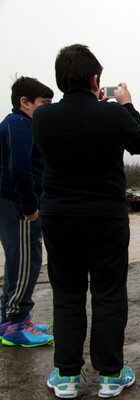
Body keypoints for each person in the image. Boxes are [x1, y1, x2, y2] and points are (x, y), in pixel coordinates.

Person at [32, 44, 140, 399]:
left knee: (67, 294)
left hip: (58, 217)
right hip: (105, 219)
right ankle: (110, 375)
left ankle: (67, 376)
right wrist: (125, 104)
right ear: (96, 79)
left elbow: (71, 131)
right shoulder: (113, 115)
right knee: (108, 294)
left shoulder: (42, 117)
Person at [0, 77, 54, 347]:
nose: (47, 109)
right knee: (26, 262)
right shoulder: (19, 125)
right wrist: (30, 206)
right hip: (18, 205)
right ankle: (16, 324)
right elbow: (19, 168)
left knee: (16, 262)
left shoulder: (21, 124)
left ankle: (10, 320)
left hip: (15, 203)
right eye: (43, 104)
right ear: (25, 102)